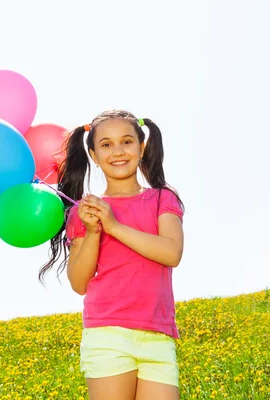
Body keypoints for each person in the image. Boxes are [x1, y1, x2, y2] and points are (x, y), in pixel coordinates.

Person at [38, 109, 185, 400]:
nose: (118, 151)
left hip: (158, 334)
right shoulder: (85, 211)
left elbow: (171, 252)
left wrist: (114, 226)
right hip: (108, 335)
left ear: (142, 148)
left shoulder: (161, 198)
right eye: (106, 144)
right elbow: (79, 282)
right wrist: (93, 231)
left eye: (127, 142)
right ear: (92, 153)